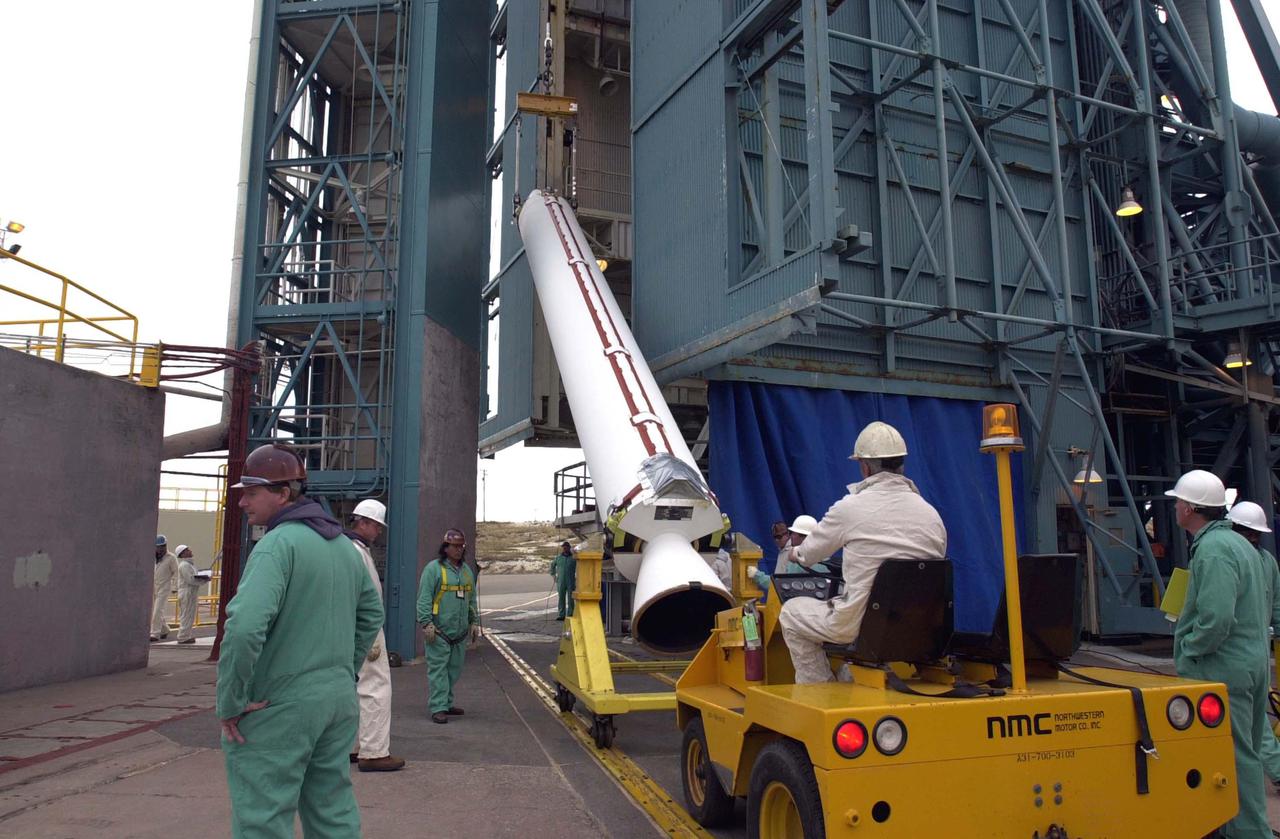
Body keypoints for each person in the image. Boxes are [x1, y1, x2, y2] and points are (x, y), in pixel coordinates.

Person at [217, 444, 383, 839]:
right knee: (331, 811)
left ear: (283, 493)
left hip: (281, 706)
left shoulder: (276, 546)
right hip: (336, 703)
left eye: (251, 492)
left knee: (262, 817)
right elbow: (371, 614)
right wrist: (343, 672)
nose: (242, 502)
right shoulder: (345, 548)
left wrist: (232, 700)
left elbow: (244, 628)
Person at [777, 421, 947, 684]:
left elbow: (808, 554)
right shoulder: (931, 515)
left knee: (791, 613)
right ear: (901, 465)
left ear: (865, 467)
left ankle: (819, 689)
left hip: (860, 622)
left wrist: (795, 553)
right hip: (916, 626)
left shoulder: (849, 508)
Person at [1169, 470, 1271, 838]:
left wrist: (1190, 648)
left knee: (1234, 757)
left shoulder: (1213, 550)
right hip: (1251, 663)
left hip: (1224, 667)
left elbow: (1216, 619)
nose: (1175, 508)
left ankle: (1250, 832)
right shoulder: (1240, 545)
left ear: (1190, 508)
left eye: (1178, 502)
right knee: (1245, 754)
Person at [345, 498, 404, 772]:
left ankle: (355, 746)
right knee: (376, 687)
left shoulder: (348, 549)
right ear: (364, 523)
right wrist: (366, 633)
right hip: (365, 628)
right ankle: (374, 752)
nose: (379, 531)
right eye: (377, 526)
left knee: (355, 689)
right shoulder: (356, 552)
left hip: (353, 626)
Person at [1224, 501, 1280, 788]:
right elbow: (1277, 605)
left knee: (1250, 723)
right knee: (1254, 719)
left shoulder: (1225, 555)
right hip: (1257, 648)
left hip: (1233, 652)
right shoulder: (1267, 560)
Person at [416, 528, 479, 724]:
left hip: (459, 634)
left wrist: (473, 622)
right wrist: (426, 623)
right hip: (439, 632)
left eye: (461, 546)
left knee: (454, 670)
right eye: (454, 546)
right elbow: (424, 598)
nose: (458, 550)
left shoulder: (466, 571)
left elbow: (471, 599)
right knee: (438, 671)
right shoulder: (433, 569)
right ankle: (438, 707)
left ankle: (446, 702)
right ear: (445, 547)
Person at [749, 515, 829, 590]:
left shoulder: (795, 557)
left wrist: (758, 576)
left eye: (792, 533)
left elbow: (782, 585)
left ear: (803, 537)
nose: (790, 536)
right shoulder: (824, 555)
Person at [151, 535, 177, 642]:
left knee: (157, 611)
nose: (161, 548)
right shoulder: (152, 557)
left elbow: (176, 573)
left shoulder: (171, 558)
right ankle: (165, 629)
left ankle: (155, 633)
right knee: (153, 611)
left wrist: (175, 587)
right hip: (153, 587)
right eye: (159, 546)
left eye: (163, 546)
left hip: (164, 588)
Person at [175, 545, 201, 644]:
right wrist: (203, 580)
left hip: (190, 592)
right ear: (182, 554)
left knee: (189, 614)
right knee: (187, 614)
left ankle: (185, 635)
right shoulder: (184, 565)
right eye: (187, 550)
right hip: (187, 592)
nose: (190, 550)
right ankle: (183, 636)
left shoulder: (189, 565)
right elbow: (190, 579)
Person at [550, 541, 577, 620]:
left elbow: (579, 567)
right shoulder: (558, 558)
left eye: (566, 547)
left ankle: (570, 614)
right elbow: (552, 566)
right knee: (561, 598)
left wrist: (577, 577)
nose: (564, 548)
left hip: (571, 581)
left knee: (571, 598)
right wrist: (554, 575)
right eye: (563, 547)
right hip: (561, 581)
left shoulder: (574, 558)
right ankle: (561, 615)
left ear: (569, 548)